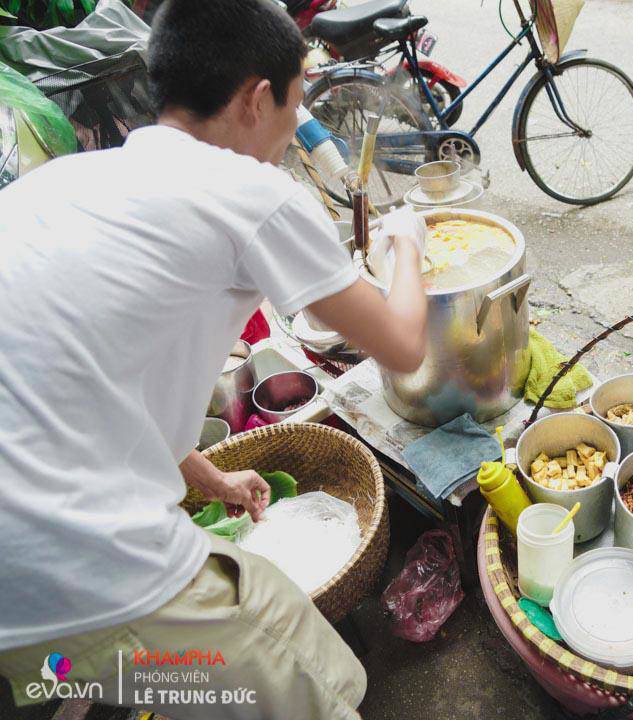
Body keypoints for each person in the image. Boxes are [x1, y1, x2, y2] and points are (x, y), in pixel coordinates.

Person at [0, 0, 426, 717]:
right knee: (318, 692)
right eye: (292, 123)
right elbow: (404, 345)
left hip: (26, 613)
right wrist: (407, 244)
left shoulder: (60, 186)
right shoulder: (247, 191)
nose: (286, 145)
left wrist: (202, 471)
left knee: (254, 629)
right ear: (259, 99)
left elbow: (67, 383)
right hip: (77, 573)